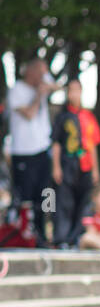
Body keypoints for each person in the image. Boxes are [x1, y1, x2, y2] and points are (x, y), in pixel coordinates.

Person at [7, 59, 56, 245]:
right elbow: (29, 114)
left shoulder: (43, 83)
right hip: (24, 151)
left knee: (45, 194)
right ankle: (23, 233)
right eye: (40, 73)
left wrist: (46, 85)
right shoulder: (17, 90)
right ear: (30, 71)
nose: (43, 77)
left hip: (43, 149)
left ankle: (43, 233)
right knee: (25, 195)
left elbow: (59, 87)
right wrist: (38, 95)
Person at [50, 78, 100, 247]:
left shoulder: (88, 116)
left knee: (83, 202)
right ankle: (62, 239)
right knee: (64, 202)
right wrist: (56, 166)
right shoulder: (62, 117)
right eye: (70, 90)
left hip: (85, 164)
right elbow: (56, 143)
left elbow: (93, 144)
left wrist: (95, 169)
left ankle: (76, 238)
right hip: (68, 162)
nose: (74, 93)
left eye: (76, 90)